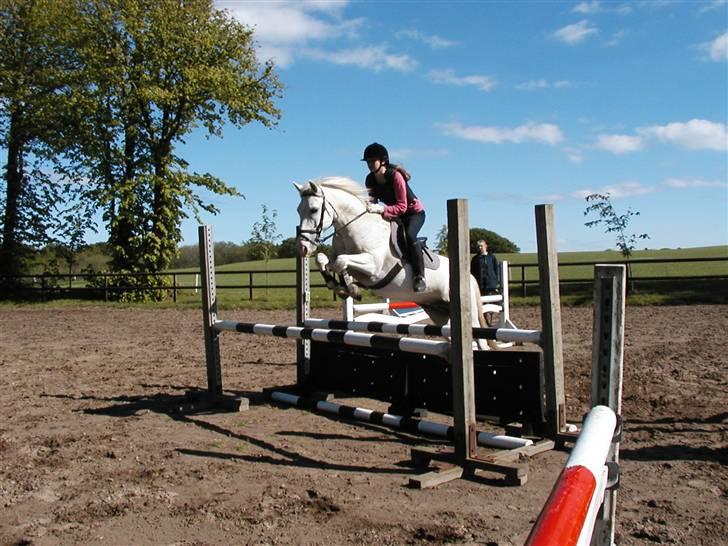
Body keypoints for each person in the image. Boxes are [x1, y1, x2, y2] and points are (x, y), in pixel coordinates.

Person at [361, 142, 427, 292]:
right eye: (368, 162)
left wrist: (381, 209)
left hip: (413, 213)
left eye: (373, 161)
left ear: (383, 161)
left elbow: (402, 206)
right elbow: (372, 202)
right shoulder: (370, 180)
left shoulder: (396, 176)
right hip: (395, 215)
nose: (370, 164)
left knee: (409, 236)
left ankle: (420, 276)